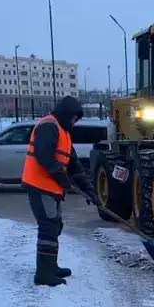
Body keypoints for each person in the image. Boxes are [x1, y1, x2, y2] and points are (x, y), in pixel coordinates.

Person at [21, 95, 98, 287]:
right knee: (48, 226)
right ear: (66, 114)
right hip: (39, 185)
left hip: (51, 188)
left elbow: (74, 165)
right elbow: (44, 155)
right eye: (73, 118)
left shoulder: (64, 133)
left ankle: (51, 267)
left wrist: (89, 189)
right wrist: (62, 179)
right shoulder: (49, 125)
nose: (75, 122)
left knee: (55, 226)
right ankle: (43, 274)